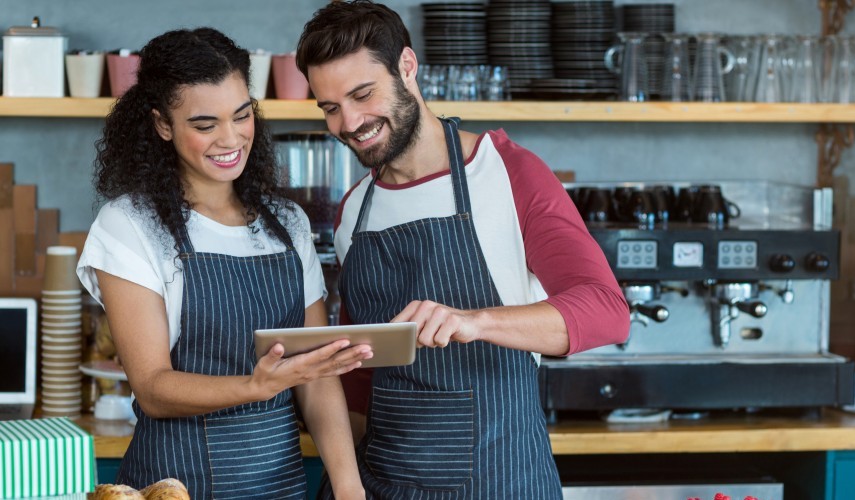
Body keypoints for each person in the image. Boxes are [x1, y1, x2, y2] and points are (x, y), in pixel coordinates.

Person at [295, 1, 631, 498]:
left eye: (362, 94)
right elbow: (363, 378)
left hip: (499, 477)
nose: (349, 122)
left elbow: (607, 311)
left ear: (407, 67)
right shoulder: (355, 211)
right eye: (330, 107)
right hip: (382, 481)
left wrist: (476, 321)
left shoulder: (506, 173)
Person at [76, 27, 369, 500]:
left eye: (242, 114)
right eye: (205, 124)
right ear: (162, 124)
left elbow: (317, 378)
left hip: (281, 487)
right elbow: (153, 387)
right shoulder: (129, 225)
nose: (231, 138)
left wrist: (349, 487)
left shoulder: (287, 223)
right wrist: (255, 386)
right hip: (173, 485)